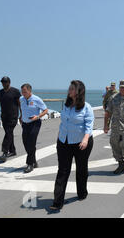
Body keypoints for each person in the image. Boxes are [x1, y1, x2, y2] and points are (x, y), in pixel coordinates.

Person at [50, 80, 94, 211]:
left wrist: (85, 139)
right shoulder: (66, 106)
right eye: (69, 88)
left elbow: (89, 125)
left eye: (72, 88)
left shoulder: (87, 107)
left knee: (81, 169)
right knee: (63, 171)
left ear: (79, 91)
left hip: (82, 143)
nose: (69, 90)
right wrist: (59, 136)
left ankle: (82, 193)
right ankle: (58, 201)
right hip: (64, 142)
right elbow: (64, 123)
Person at [19, 84, 49, 173]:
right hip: (25, 124)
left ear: (29, 91)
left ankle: (29, 164)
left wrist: (38, 116)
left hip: (35, 123)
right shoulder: (21, 99)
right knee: (25, 143)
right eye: (22, 91)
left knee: (31, 143)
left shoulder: (36, 99)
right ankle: (34, 161)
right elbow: (22, 108)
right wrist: (21, 117)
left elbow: (45, 110)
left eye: (25, 91)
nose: (23, 93)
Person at [0, 77, 21, 163]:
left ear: (9, 82)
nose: (3, 84)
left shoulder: (15, 91)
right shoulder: (0, 93)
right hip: (4, 117)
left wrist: (22, 115)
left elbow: (20, 104)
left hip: (13, 116)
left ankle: (5, 151)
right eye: (2, 82)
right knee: (9, 133)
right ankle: (12, 150)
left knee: (8, 132)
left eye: (5, 82)